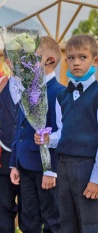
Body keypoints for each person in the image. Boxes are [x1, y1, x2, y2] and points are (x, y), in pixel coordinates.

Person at [35, 34, 98, 233]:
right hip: (63, 165)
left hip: (88, 167)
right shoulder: (62, 95)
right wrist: (48, 138)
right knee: (66, 222)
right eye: (71, 58)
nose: (75, 62)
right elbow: (63, 131)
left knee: (90, 223)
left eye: (82, 57)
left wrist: (96, 179)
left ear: (95, 60)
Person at [9, 36, 64, 233]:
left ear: (49, 61)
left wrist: (51, 170)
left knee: (51, 220)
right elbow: (20, 129)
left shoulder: (59, 93)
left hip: (45, 170)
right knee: (28, 219)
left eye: (32, 58)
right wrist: (14, 162)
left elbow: (61, 133)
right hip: (25, 166)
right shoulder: (29, 90)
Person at [0, 52, 22, 233]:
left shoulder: (37, 90)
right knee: (3, 212)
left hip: (28, 161)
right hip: (2, 158)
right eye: (13, 58)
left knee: (29, 215)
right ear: (7, 61)